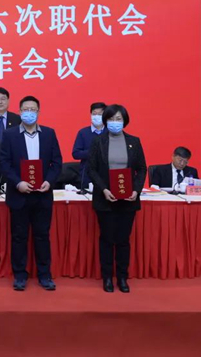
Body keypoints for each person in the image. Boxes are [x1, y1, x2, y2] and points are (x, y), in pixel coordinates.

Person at [0, 96, 62, 291]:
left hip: (42, 194)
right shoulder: (9, 135)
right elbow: (4, 163)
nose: (29, 112)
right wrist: (18, 183)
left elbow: (57, 162)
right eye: (25, 109)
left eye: (33, 109)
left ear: (38, 112)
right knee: (19, 237)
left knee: (42, 236)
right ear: (19, 111)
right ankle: (19, 275)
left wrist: (49, 181)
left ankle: (45, 275)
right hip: (19, 194)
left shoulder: (49, 134)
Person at [87, 104, 147, 294]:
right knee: (107, 238)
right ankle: (107, 277)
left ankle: (122, 277)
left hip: (128, 199)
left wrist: (136, 190)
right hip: (105, 198)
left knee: (123, 240)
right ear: (105, 121)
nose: (115, 122)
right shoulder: (98, 141)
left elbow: (141, 169)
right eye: (111, 119)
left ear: (125, 121)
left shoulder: (134, 141)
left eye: (118, 119)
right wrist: (104, 189)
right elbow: (92, 169)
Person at [72, 102, 107, 188]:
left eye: (100, 114)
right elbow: (76, 154)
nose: (97, 116)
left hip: (106, 174)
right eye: (94, 114)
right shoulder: (83, 132)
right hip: (87, 175)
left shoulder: (109, 132)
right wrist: (92, 152)